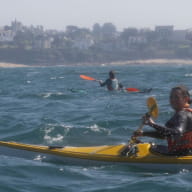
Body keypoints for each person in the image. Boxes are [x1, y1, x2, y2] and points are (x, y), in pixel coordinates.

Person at [134, 85, 192, 155]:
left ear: (185, 99)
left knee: (147, 148)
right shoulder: (184, 113)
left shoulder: (182, 115)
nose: (173, 100)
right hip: (184, 152)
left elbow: (177, 132)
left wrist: (152, 124)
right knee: (150, 146)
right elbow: (165, 135)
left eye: (176, 97)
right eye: (171, 97)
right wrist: (144, 133)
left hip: (180, 154)